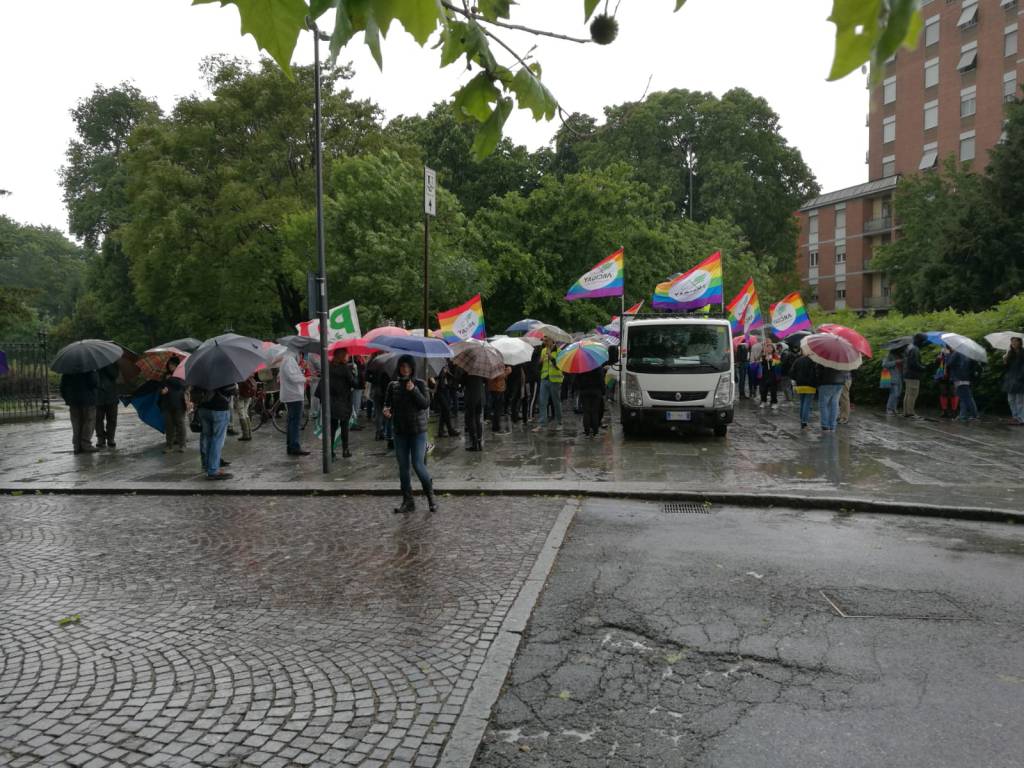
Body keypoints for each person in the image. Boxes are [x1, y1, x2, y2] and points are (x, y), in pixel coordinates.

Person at [384, 354, 437, 514]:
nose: (405, 369)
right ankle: (408, 501)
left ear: (412, 368)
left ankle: (431, 497)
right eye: (402, 366)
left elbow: (425, 404)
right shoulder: (392, 385)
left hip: (417, 432)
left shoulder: (420, 383)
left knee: (418, 464)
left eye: (407, 366)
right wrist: (386, 411)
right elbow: (388, 405)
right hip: (400, 431)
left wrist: (413, 390)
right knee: (403, 468)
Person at [196, 383, 236, 480]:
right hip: (219, 409)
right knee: (217, 440)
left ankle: (207, 465)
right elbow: (231, 390)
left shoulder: (201, 373)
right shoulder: (224, 374)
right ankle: (213, 470)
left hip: (203, 409)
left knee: (207, 438)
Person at [327, 348, 357, 458]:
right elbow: (354, 383)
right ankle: (345, 450)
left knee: (333, 426)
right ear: (342, 356)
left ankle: (330, 450)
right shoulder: (345, 368)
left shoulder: (329, 367)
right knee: (344, 426)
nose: (348, 356)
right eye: (346, 355)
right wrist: (354, 374)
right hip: (343, 400)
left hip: (331, 400)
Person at [60, 369, 99, 454]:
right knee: (89, 421)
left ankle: (77, 446)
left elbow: (62, 387)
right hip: (88, 401)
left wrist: (67, 399)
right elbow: (94, 383)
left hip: (73, 401)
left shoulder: (67, 371)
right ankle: (86, 444)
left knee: (76, 423)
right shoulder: (89, 369)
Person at [280, 349, 309, 456]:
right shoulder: (289, 360)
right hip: (294, 395)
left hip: (292, 395)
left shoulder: (289, 359)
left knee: (292, 421)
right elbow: (293, 377)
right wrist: (306, 379)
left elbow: (293, 373)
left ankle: (291, 445)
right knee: (295, 422)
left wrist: (301, 368)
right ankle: (294, 446)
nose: (301, 356)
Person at [533, 337, 564, 431]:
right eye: (544, 340)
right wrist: (540, 362)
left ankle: (559, 422)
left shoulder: (559, 351)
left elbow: (560, 367)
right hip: (544, 378)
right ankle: (542, 424)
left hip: (555, 380)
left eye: (546, 340)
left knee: (556, 402)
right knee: (542, 401)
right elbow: (539, 366)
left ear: (552, 341)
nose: (544, 342)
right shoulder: (543, 351)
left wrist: (552, 358)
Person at [159, 356, 188, 452]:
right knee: (169, 425)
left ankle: (182, 445)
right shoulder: (165, 375)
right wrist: (162, 391)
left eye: (173, 365)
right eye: (170, 364)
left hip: (179, 403)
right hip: (166, 403)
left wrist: (170, 379)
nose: (171, 366)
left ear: (177, 365)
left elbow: (182, 385)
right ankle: (169, 446)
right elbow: (160, 386)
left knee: (180, 424)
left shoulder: (181, 374)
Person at [947, 347, 979, 422]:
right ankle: (963, 415)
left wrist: (948, 354)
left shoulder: (957, 353)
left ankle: (974, 415)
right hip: (966, 378)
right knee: (964, 398)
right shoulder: (968, 354)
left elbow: (949, 363)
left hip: (959, 378)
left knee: (967, 398)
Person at [94, 362, 120, 449]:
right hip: (98, 396)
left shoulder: (112, 362)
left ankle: (111, 438)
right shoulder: (92, 363)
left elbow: (115, 375)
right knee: (98, 419)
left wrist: (106, 365)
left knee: (112, 418)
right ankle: (100, 438)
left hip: (111, 395)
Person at [791, 349, 817, 429]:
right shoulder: (814, 361)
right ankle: (804, 422)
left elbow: (791, 372)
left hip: (800, 385)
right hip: (810, 385)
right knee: (807, 404)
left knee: (802, 402)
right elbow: (816, 374)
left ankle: (802, 420)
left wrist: (797, 379)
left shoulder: (798, 360)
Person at [577, 364, 605, 438]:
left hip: (585, 392)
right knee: (595, 412)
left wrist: (580, 389)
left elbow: (577, 381)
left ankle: (587, 432)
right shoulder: (598, 367)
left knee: (586, 412)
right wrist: (603, 391)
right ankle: (595, 432)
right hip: (596, 392)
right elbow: (602, 380)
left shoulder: (582, 367)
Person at [816, 364, 846, 431]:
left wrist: (818, 383)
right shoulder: (842, 357)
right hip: (840, 382)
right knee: (834, 404)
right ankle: (832, 425)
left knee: (823, 404)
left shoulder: (824, 357)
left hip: (826, 382)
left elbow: (819, 372)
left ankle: (825, 425)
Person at [433, 364, 460, 438]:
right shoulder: (438, 368)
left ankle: (441, 431)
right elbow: (435, 379)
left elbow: (450, 378)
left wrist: (447, 373)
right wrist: (443, 372)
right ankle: (450, 430)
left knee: (444, 412)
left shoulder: (445, 366)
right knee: (446, 410)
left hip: (445, 390)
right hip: (439, 392)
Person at [1002, 336, 1024, 426]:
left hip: (1020, 379)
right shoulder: (1010, 353)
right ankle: (1015, 417)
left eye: (1015, 341)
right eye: (1012, 341)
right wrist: (1005, 360)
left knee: (1020, 401)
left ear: (1020, 342)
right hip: (1010, 379)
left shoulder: (1023, 353)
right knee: (1010, 399)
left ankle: (1021, 418)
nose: (1013, 343)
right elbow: (1006, 368)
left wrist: (1020, 377)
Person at [902, 333, 925, 418]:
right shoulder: (915, 349)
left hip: (908, 374)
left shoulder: (909, 347)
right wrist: (923, 367)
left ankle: (906, 411)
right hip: (913, 375)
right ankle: (910, 412)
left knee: (908, 393)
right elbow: (914, 363)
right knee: (912, 393)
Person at [462, 370, 486, 451]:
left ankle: (474, 444)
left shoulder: (467, 371)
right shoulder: (481, 370)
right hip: (480, 396)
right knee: (478, 419)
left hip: (472, 397)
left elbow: (461, 382)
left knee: (471, 420)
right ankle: (479, 443)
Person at [934, 347, 959, 418]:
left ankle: (954, 411)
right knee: (943, 393)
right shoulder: (942, 352)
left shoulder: (956, 353)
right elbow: (936, 364)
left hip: (953, 376)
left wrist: (948, 356)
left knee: (953, 393)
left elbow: (953, 363)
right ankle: (944, 411)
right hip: (942, 377)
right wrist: (938, 358)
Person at [489, 365, 511, 434]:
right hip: (496, 388)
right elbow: (498, 376)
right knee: (497, 409)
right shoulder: (494, 364)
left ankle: (496, 427)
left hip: (499, 388)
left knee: (498, 409)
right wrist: (507, 372)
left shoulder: (497, 363)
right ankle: (496, 428)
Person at [758, 342, 780, 410]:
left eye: (770, 347)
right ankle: (763, 401)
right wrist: (763, 358)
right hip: (764, 375)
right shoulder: (763, 355)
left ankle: (774, 402)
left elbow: (778, 364)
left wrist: (771, 360)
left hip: (773, 375)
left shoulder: (775, 355)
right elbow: (759, 363)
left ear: (773, 349)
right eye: (767, 347)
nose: (769, 349)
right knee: (763, 390)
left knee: (773, 390)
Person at [881, 348, 904, 415]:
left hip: (900, 376)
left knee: (898, 394)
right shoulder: (889, 355)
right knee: (894, 393)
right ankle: (889, 409)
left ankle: (894, 408)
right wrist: (896, 362)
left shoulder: (901, 355)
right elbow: (884, 364)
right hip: (892, 377)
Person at [235, 374, 257, 442]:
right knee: (245, 413)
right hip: (249, 394)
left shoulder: (238, 372)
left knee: (242, 414)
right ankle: (249, 433)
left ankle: (245, 434)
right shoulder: (248, 370)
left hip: (241, 395)